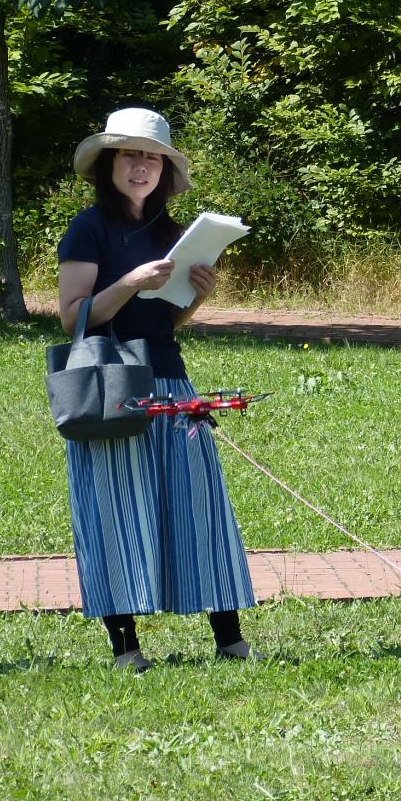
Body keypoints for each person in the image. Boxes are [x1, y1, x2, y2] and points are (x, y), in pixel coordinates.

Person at [57, 107, 258, 671]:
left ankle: (230, 641)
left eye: (151, 156)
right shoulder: (88, 228)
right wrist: (127, 282)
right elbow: (73, 317)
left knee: (197, 502)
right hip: (108, 382)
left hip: (169, 375)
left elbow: (165, 322)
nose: (141, 165)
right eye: (130, 154)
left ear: (164, 170)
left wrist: (198, 295)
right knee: (114, 509)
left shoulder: (176, 234)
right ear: (110, 164)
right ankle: (126, 649)